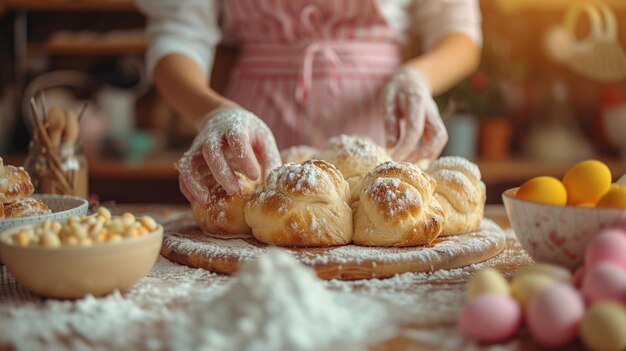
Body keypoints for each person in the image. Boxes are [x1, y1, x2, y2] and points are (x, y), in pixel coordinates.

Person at [136, 0, 482, 204]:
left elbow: (459, 33)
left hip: (378, 129)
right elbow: (176, 38)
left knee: (381, 232)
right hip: (251, 136)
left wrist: (418, 77)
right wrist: (213, 113)